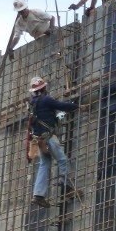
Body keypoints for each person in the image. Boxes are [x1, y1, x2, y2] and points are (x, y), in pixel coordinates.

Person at [26, 76, 81, 207]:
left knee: (44, 164)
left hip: (39, 139)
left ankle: (38, 195)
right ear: (44, 88)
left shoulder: (32, 104)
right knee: (62, 160)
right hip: (49, 138)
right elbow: (61, 106)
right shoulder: (46, 99)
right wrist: (77, 106)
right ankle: (67, 186)